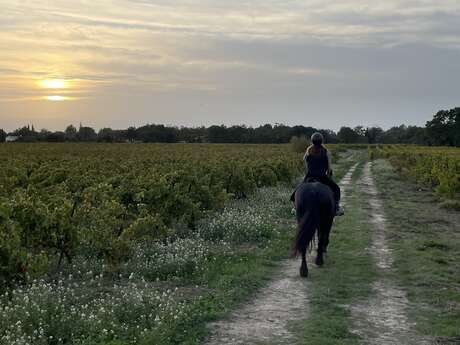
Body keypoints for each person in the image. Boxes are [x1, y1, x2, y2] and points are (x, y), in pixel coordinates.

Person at [291, 132, 344, 216]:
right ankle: (337, 207)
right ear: (321, 141)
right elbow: (329, 169)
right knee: (336, 189)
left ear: (312, 141)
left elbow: (305, 166)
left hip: (309, 177)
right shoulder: (326, 152)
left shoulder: (308, 152)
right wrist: (329, 175)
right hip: (323, 177)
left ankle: (295, 207)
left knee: (295, 193)